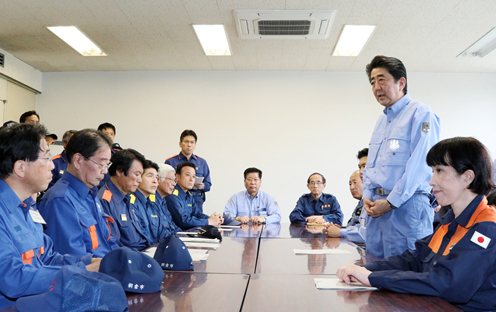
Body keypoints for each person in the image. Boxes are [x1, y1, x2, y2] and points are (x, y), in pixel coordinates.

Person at [337, 137, 496, 312]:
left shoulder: (487, 227)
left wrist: (374, 278)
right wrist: (362, 269)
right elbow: (413, 259)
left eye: (439, 171)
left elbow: (448, 283)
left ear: (467, 177)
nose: (431, 181)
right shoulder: (451, 222)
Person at [0, 124, 99, 308]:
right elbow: (12, 279)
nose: (53, 165)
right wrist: (82, 271)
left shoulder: (28, 207)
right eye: (46, 157)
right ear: (20, 168)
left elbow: (48, 258)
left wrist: (91, 262)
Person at [362, 55, 440, 258]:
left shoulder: (421, 114)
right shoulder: (382, 120)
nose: (376, 87)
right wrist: (366, 196)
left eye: (382, 79)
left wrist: (391, 202)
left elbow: (421, 164)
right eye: (372, 82)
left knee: (406, 276)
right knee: (374, 273)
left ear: (401, 82)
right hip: (376, 208)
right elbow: (372, 166)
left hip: (407, 207)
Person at [38, 129, 118, 257]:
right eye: (102, 164)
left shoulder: (90, 194)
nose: (104, 171)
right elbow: (75, 261)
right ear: (78, 160)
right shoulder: (61, 200)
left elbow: (107, 241)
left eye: (107, 165)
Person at [97, 149, 149, 250]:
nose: (140, 180)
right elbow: (114, 244)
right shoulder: (105, 200)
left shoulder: (128, 196)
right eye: (137, 174)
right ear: (119, 171)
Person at [130, 160, 180, 245]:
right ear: (139, 178)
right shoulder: (131, 202)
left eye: (156, 177)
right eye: (150, 176)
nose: (155, 181)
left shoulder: (151, 203)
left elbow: (161, 232)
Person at [166, 162, 222, 230]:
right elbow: (183, 221)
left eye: (193, 176)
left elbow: (197, 214)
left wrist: (214, 219)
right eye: (187, 175)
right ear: (177, 177)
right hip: (177, 234)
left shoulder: (188, 194)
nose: (191, 179)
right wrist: (209, 221)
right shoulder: (172, 195)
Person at [165, 130, 211, 212]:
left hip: (196, 199)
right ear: (180, 144)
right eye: (186, 142)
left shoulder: (202, 162)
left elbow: (208, 184)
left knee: (198, 222)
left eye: (192, 142)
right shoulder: (171, 162)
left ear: (195, 145)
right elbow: (165, 183)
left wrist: (203, 186)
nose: (189, 145)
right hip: (177, 199)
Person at [326, 171, 368, 243]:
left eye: (355, 182)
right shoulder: (360, 204)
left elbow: (365, 234)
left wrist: (340, 232)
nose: (351, 187)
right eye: (350, 184)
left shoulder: (372, 205)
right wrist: (339, 230)